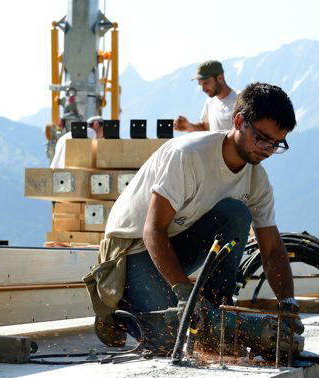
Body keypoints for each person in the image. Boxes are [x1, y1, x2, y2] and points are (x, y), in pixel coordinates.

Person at [85, 82, 302, 352]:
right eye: (261, 138)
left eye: (276, 144)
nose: (267, 149)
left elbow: (271, 250)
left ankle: (215, 313)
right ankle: (115, 310)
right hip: (131, 249)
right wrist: (183, 292)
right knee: (170, 342)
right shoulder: (187, 156)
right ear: (238, 121)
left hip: (174, 244)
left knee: (236, 214)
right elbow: (153, 231)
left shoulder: (257, 181)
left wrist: (288, 305)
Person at [174, 60, 237, 132]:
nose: (203, 89)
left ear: (220, 78)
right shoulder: (210, 102)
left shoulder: (240, 100)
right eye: (200, 85)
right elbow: (205, 128)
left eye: (206, 83)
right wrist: (189, 127)